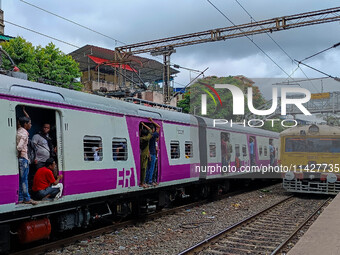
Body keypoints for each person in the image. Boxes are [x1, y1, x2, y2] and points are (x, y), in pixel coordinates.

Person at [17, 116, 38, 205]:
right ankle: (27, 198)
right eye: (29, 123)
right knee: (24, 179)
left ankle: (21, 198)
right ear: (25, 124)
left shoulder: (19, 131)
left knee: (21, 179)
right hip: (24, 158)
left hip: (21, 159)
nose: (31, 125)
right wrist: (21, 153)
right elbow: (19, 147)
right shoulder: (24, 134)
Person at [145, 118, 160, 186]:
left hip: (148, 153)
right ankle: (150, 181)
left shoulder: (148, 136)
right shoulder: (153, 136)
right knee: (152, 168)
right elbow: (159, 127)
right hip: (153, 153)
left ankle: (146, 180)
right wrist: (152, 121)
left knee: (148, 167)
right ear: (153, 129)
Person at [140, 122, 152, 188]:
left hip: (142, 155)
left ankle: (142, 182)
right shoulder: (146, 139)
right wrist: (144, 125)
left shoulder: (140, 138)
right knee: (144, 169)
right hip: (144, 156)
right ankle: (142, 183)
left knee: (142, 169)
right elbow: (150, 131)